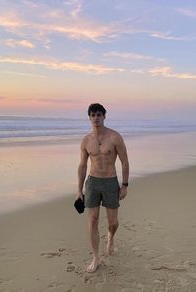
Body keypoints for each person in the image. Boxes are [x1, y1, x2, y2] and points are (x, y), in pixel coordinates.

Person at [77, 103, 129, 273]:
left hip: (110, 182)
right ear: (89, 118)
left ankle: (111, 237)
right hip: (92, 182)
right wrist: (79, 190)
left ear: (104, 116)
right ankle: (95, 257)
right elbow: (83, 165)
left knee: (113, 222)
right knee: (93, 221)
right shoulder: (86, 140)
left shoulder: (114, 137)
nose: (96, 118)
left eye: (99, 114)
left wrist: (124, 185)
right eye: (93, 115)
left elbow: (124, 161)